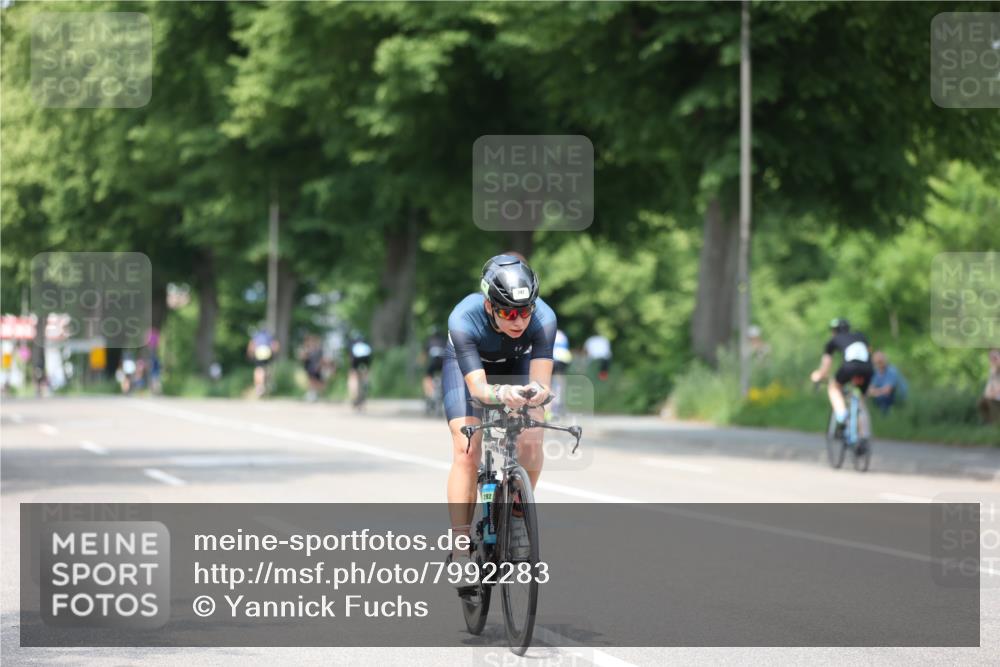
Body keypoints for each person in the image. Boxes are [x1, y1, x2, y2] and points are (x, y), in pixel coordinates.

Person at [443, 254, 557, 581]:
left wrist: (536, 394)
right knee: (467, 448)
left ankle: (518, 515)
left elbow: (541, 384)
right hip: (469, 370)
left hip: (516, 366)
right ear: (489, 305)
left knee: (533, 435)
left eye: (525, 311)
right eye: (508, 312)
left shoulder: (544, 318)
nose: (518, 321)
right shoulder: (463, 318)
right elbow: (478, 389)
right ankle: (462, 549)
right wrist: (499, 394)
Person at [809, 318, 874, 441]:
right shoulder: (860, 336)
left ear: (834, 331)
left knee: (834, 387)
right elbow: (869, 353)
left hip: (849, 367)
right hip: (868, 369)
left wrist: (818, 376)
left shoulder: (833, 340)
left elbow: (825, 366)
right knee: (861, 402)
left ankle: (842, 417)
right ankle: (864, 436)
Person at [868, 350, 907, 415]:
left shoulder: (892, 370)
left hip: (898, 397)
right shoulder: (875, 372)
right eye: (877, 362)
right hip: (882, 396)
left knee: (884, 397)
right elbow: (869, 389)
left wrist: (874, 392)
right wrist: (876, 392)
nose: (878, 364)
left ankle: (888, 415)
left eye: (880, 361)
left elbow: (888, 390)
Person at [247, 327, 279, 397]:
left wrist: (250, 354)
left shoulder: (256, 335)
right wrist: (274, 354)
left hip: (259, 353)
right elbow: (275, 345)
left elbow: (251, 345)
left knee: (258, 369)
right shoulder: (269, 336)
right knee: (267, 368)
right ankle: (267, 382)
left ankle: (259, 387)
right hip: (267, 352)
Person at [422, 326, 447, 407]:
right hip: (443, 362)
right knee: (446, 376)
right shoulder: (444, 341)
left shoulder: (429, 341)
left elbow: (424, 356)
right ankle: (444, 391)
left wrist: (421, 363)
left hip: (433, 363)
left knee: (427, 377)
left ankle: (429, 393)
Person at [347, 331, 373, 407]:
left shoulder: (352, 344)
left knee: (353, 377)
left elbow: (350, 358)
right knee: (365, 373)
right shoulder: (366, 344)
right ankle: (365, 383)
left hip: (355, 358)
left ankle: (354, 395)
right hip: (366, 358)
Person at [300, 334, 327, 402]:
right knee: (311, 381)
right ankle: (312, 394)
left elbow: (321, 359)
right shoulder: (307, 350)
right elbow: (303, 358)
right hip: (309, 367)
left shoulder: (318, 350)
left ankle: (317, 394)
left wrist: (319, 366)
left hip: (316, 368)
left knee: (319, 383)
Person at [977, 348, 1000, 425]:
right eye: (991, 359)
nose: (993, 361)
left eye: (995, 358)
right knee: (982, 402)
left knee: (990, 401)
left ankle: (995, 424)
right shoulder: (993, 371)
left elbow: (997, 390)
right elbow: (987, 391)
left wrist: (991, 395)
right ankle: (993, 424)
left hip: (996, 397)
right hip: (995, 397)